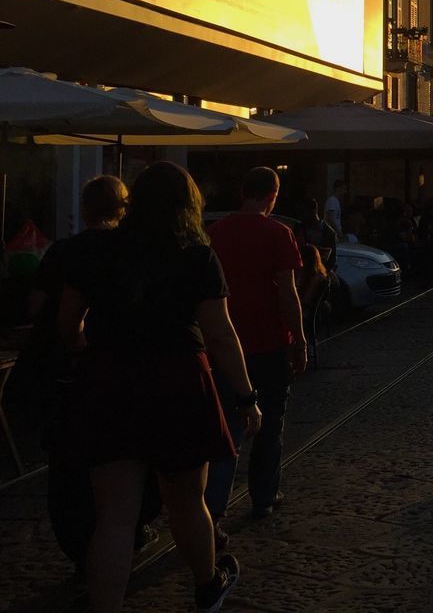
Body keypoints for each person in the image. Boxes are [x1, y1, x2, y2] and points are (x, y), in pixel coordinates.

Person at [56, 161, 260, 613]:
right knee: (187, 503)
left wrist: (83, 351)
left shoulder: (96, 251)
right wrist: (246, 396)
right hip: (178, 382)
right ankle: (207, 584)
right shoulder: (196, 254)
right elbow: (220, 335)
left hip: (110, 381)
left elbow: (68, 319)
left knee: (113, 517)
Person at [12, 176, 162, 573]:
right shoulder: (136, 251)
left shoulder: (65, 251)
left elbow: (37, 304)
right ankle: (128, 528)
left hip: (67, 373)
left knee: (70, 461)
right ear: (123, 208)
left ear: (85, 207)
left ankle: (80, 540)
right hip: (123, 372)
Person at [205, 167, 307, 539]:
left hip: (224, 344)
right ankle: (263, 496)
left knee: (225, 427)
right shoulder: (279, 234)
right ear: (272, 195)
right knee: (270, 424)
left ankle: (213, 508)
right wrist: (300, 339)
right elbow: (287, 293)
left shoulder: (215, 233)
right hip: (268, 344)